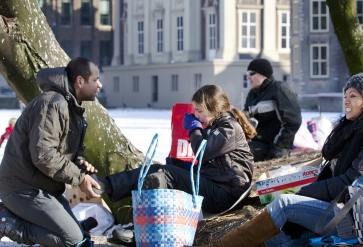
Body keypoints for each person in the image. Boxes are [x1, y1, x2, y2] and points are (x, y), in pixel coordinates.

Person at [186, 73, 363, 247]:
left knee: (285, 203)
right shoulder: (348, 131)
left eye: (353, 96)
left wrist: (306, 192)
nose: (346, 101)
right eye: (345, 95)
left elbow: (348, 183)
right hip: (331, 209)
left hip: (348, 219)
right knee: (274, 240)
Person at [91, 84, 256, 215]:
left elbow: (203, 151)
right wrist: (182, 166)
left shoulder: (229, 127)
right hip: (220, 187)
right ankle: (108, 185)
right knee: (161, 169)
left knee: (168, 174)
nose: (196, 116)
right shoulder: (218, 126)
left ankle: (154, 193)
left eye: (199, 111)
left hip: (226, 195)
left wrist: (194, 128)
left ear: (214, 109)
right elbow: (218, 166)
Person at [0, 57, 102, 247]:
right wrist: (79, 178)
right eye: (95, 80)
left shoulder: (73, 108)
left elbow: (69, 149)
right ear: (80, 81)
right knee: (74, 242)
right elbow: (44, 154)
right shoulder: (53, 104)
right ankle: (7, 223)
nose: (100, 85)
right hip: (23, 188)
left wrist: (80, 163)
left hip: (45, 187)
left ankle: (67, 226)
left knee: (83, 240)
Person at [244, 58, 302, 162]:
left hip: (275, 146)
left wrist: (279, 146)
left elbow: (293, 121)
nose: (248, 77)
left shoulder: (279, 89)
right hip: (257, 144)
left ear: (263, 74)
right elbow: (244, 119)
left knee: (241, 153)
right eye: (247, 73)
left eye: (251, 73)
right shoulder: (252, 95)